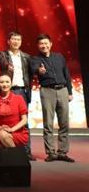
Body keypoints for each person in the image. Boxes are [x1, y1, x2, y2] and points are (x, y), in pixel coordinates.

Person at [31, 33, 74, 162]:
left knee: (64, 123)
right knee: (48, 123)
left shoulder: (59, 57)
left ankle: (62, 152)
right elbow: (34, 69)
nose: (44, 46)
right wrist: (39, 71)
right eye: (41, 44)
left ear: (50, 44)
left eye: (46, 43)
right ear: (38, 46)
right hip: (47, 91)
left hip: (63, 90)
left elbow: (66, 74)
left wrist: (70, 92)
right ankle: (51, 152)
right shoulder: (35, 59)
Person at [0, 31, 34, 160]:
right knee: (7, 120)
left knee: (24, 121)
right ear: (8, 41)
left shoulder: (26, 57)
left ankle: (27, 152)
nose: (16, 42)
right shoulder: (2, 55)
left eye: (18, 39)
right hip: (9, 90)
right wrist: (8, 66)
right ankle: (8, 147)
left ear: (21, 42)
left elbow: (30, 73)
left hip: (23, 91)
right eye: (13, 39)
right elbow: (2, 63)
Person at [0, 74, 29, 150]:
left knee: (3, 136)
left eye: (7, 82)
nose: (5, 85)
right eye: (2, 82)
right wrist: (0, 128)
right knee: (2, 136)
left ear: (11, 84)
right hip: (2, 131)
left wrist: (12, 129)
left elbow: (24, 120)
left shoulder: (19, 98)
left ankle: (15, 154)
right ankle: (15, 154)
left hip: (18, 132)